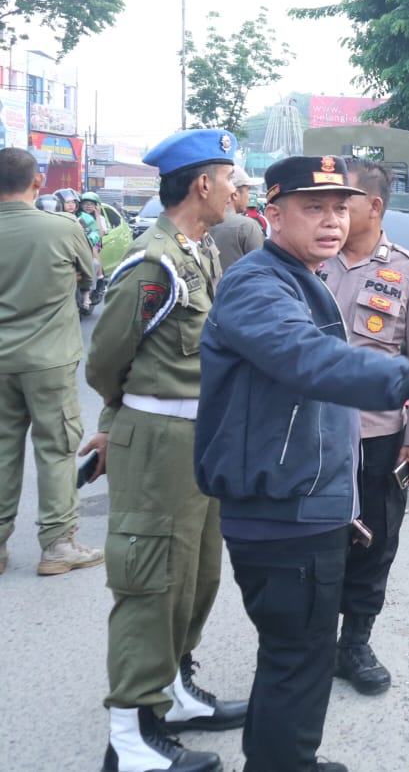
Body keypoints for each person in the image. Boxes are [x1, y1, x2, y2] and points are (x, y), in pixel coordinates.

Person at [194, 155, 409, 772]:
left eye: (339, 206)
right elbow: (309, 359)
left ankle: (286, 758)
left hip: (309, 496)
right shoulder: (260, 283)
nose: (332, 221)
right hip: (285, 507)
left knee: (299, 654)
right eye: (313, 208)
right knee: (297, 657)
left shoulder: (303, 275)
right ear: (271, 214)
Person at [81, 130, 245, 772]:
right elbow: (107, 359)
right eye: (231, 177)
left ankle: (172, 690)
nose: (240, 189)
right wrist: (120, 419)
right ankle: (129, 734)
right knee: (150, 579)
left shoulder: (197, 250)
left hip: (198, 439)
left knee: (196, 575)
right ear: (202, 184)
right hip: (159, 443)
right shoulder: (156, 262)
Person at [322, 158, 409, 696]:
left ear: (373, 206)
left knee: (375, 540)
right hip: (311, 435)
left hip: (377, 436)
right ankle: (311, 641)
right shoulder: (307, 262)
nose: (333, 215)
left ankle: (356, 643)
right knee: (311, 539)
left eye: (343, 204)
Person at [0, 147, 97, 580]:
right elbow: (91, 277)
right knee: (56, 450)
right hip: (49, 361)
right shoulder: (62, 227)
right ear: (39, 182)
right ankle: (57, 545)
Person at [208, 167, 266, 272]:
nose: (249, 196)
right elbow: (262, 269)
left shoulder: (204, 222)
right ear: (235, 194)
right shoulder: (247, 226)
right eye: (248, 190)